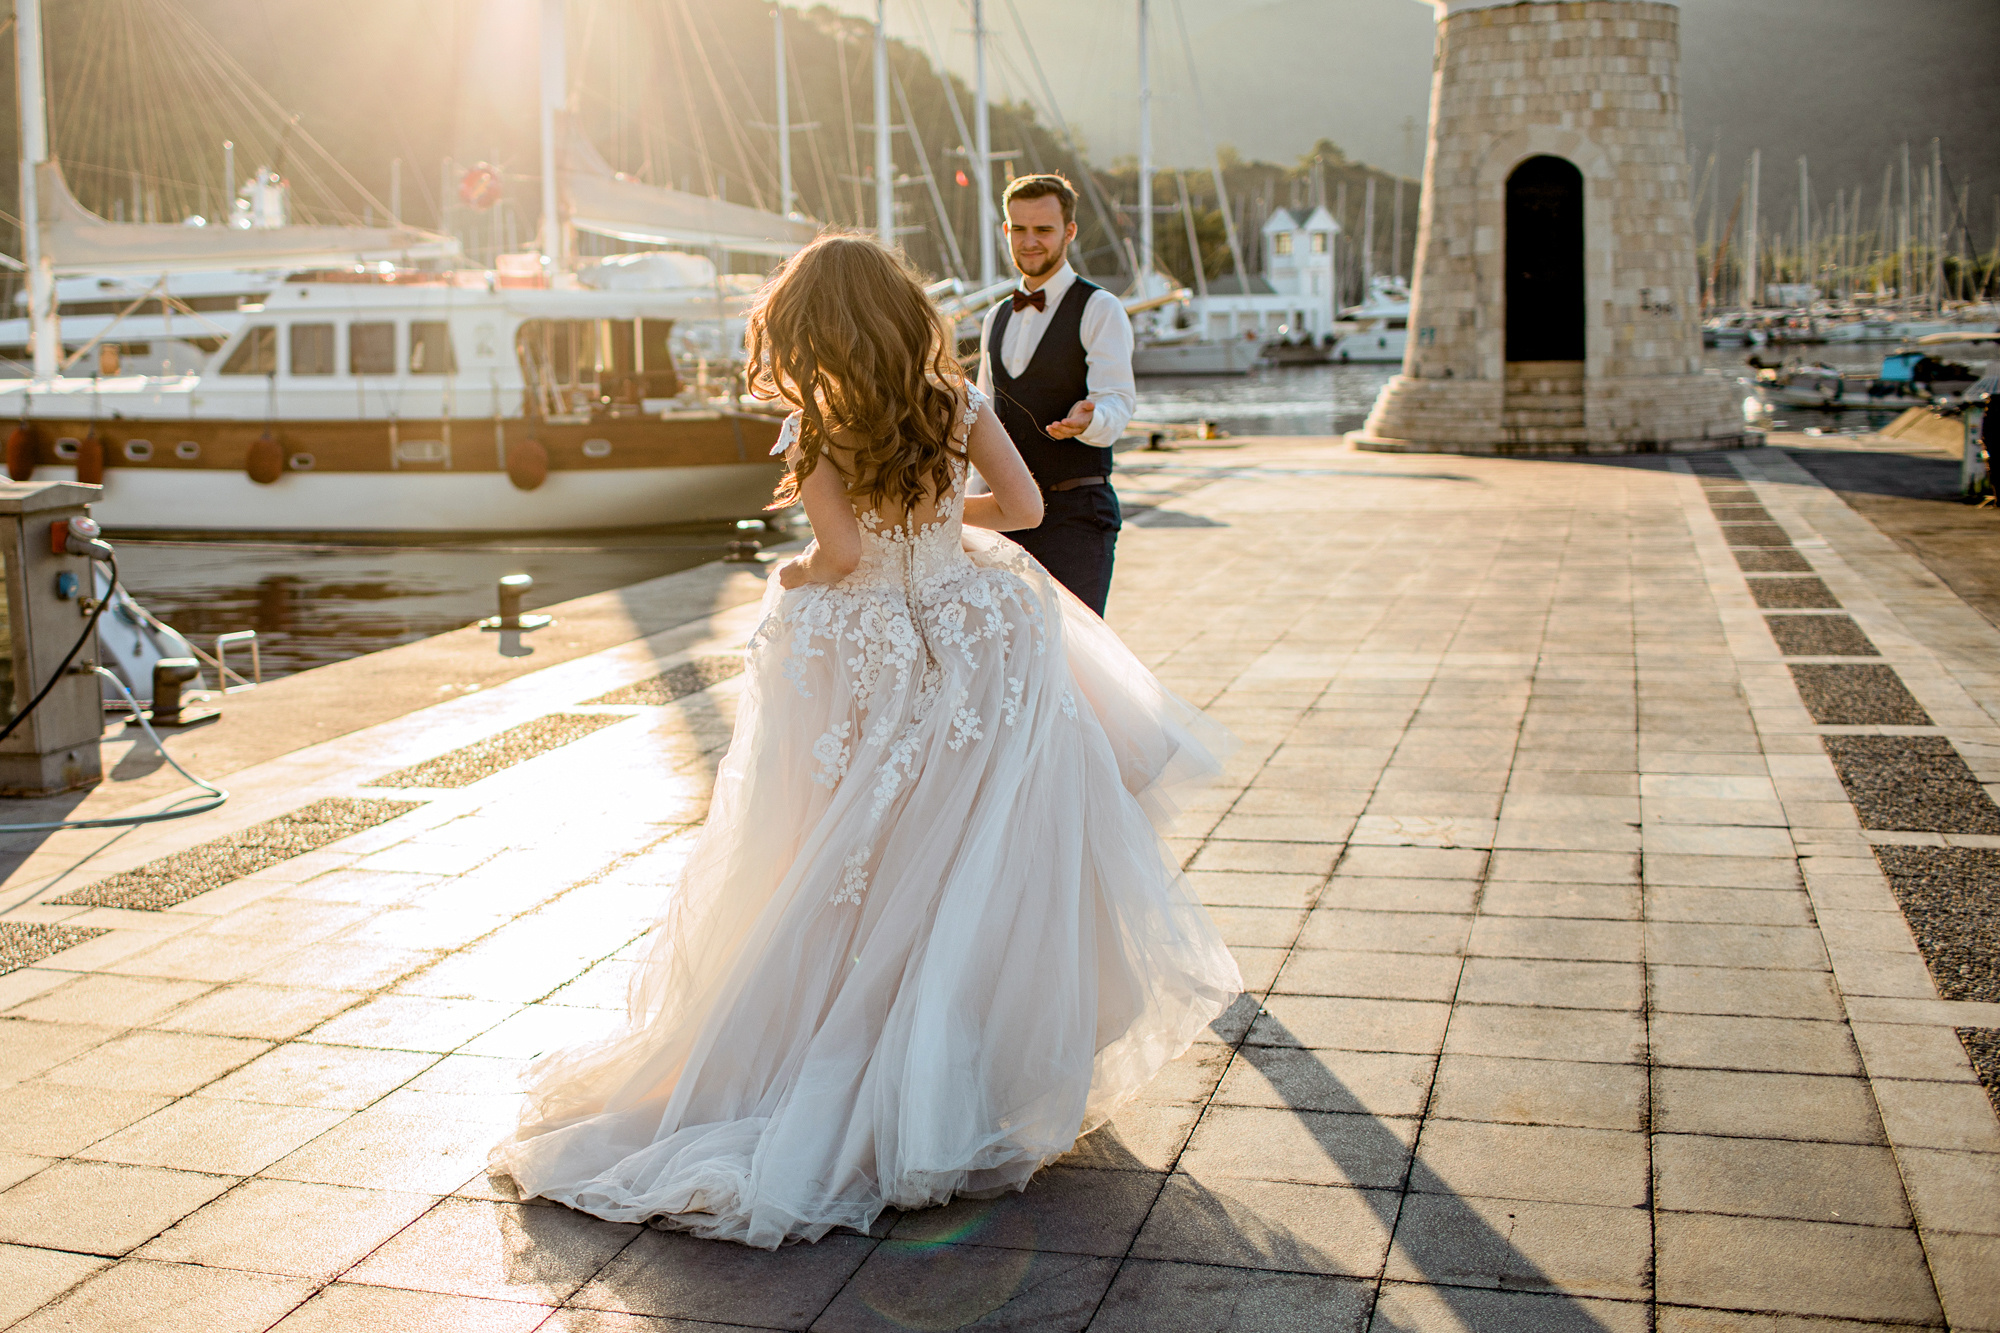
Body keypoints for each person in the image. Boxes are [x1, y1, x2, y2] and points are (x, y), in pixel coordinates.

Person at [493, 233, 1240, 1249]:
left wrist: (809, 569)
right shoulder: (958, 401)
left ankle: (851, 1061)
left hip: (876, 650)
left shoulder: (820, 423)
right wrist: (935, 520)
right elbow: (1022, 509)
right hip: (979, 637)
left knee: (850, 848)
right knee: (972, 850)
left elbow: (839, 553)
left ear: (812, 330)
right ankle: (963, 1070)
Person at [978, 173, 1136, 616]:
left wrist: (1092, 420)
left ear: (1069, 231)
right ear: (1007, 231)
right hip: (1004, 517)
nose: (1030, 241)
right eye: (1019, 229)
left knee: (1072, 662)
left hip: (1077, 516)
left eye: (1043, 230)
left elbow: (1118, 400)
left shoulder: (1100, 308)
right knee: (1008, 659)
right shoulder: (996, 317)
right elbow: (984, 421)